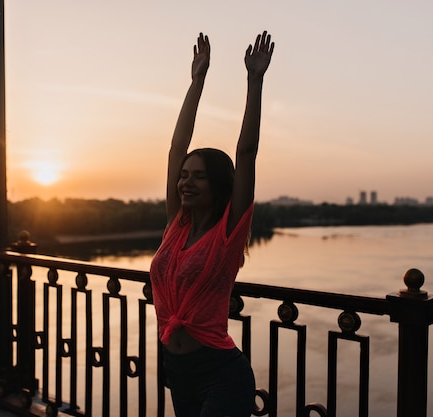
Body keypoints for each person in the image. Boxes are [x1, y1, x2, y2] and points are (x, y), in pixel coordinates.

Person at [149, 30, 274, 417]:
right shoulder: (177, 226)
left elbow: (247, 152)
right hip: (176, 369)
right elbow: (175, 148)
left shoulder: (228, 234)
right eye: (184, 175)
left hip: (220, 373)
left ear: (218, 184)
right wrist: (197, 81)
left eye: (197, 176)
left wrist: (255, 82)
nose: (185, 181)